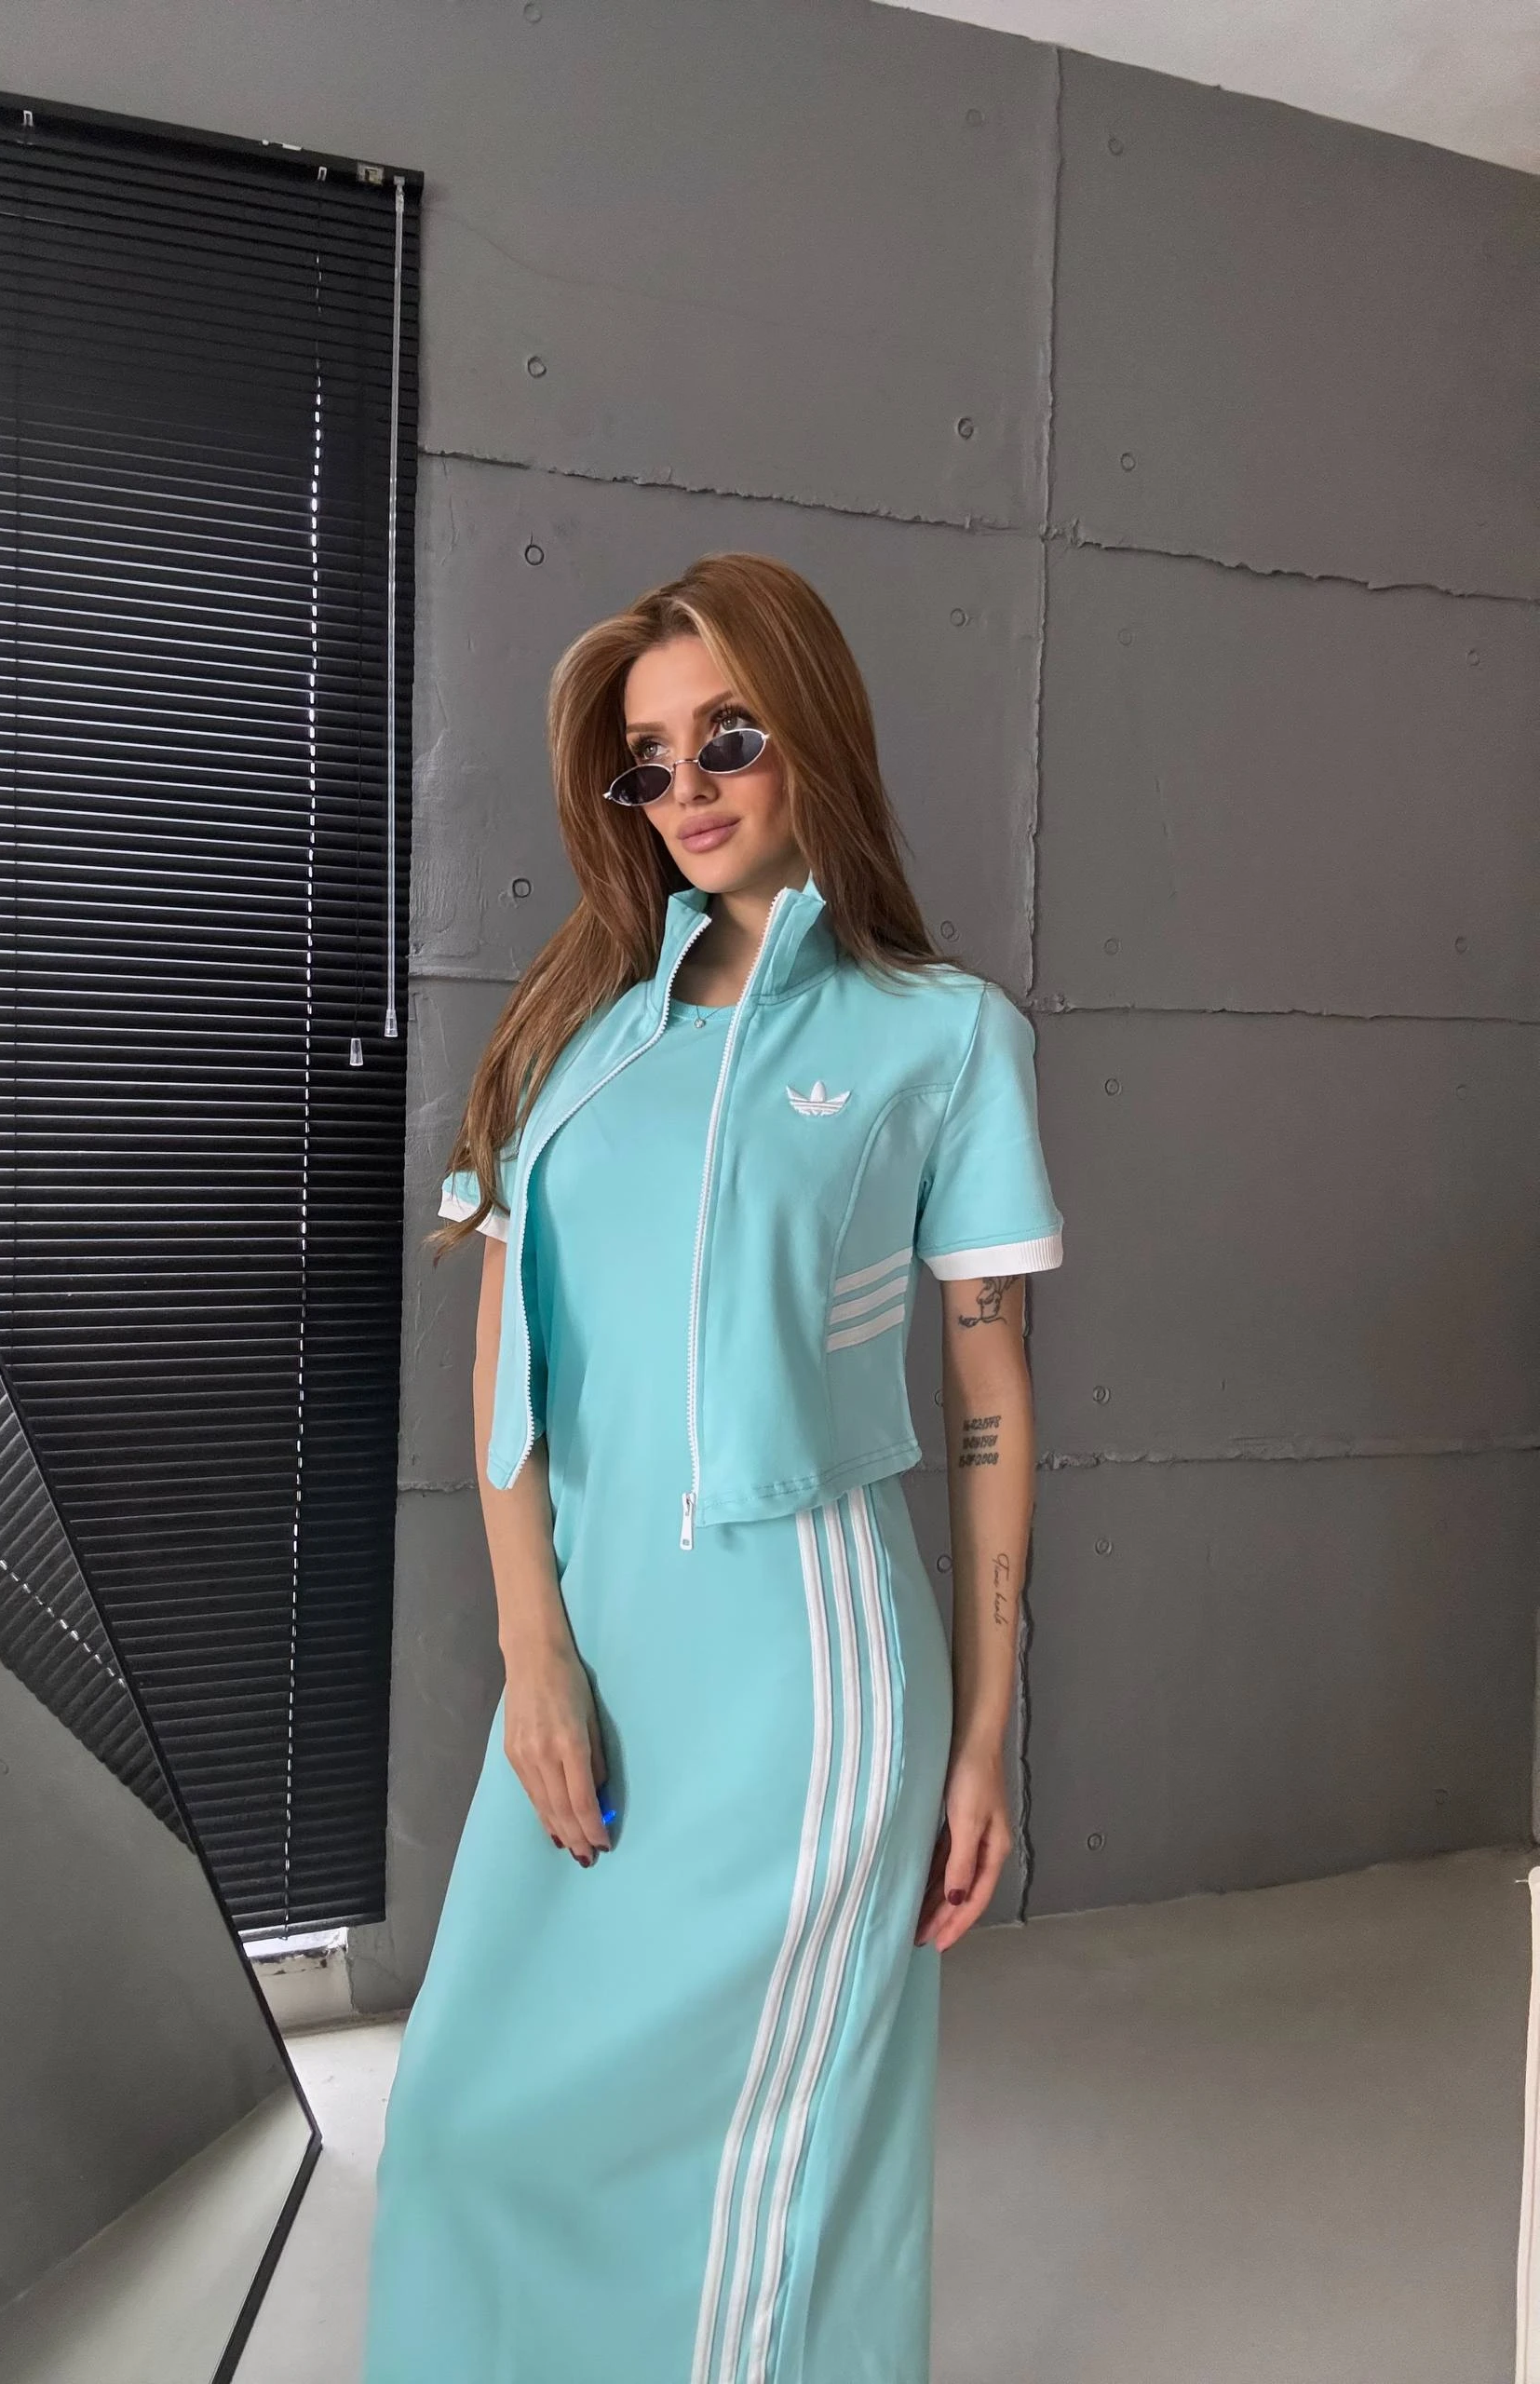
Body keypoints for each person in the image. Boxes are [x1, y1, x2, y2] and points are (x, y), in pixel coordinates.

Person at [361, 550, 1063, 2383]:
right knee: (461, 2121)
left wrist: (987, 1733)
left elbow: (990, 1396)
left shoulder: (944, 1037)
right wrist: (532, 1647)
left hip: (807, 1688)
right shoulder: (572, 1036)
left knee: (765, 2157)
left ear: (812, 729)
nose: (688, 789)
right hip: (593, 1662)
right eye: (650, 761)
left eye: (728, 737)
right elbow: (503, 1365)